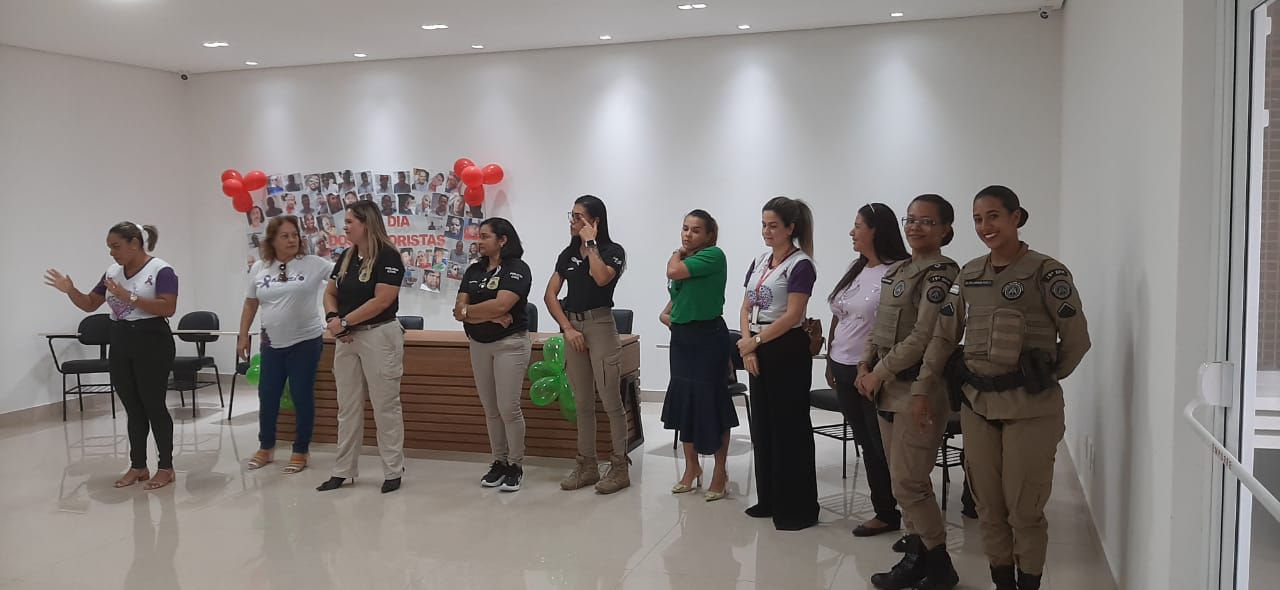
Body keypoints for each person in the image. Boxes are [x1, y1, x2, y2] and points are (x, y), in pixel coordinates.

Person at [919, 186, 1091, 590]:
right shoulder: (969, 274)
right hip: (979, 406)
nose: (985, 227)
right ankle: (1002, 582)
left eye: (994, 216)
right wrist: (923, 388)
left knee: (1024, 510)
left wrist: (1042, 376)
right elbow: (944, 336)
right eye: (978, 219)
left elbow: (1077, 340)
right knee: (988, 508)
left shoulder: (1046, 272)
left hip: (1030, 409)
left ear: (1016, 217)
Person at [857, 195, 962, 589]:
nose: (916, 227)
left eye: (927, 221)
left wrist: (878, 372)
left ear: (946, 230)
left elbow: (924, 335)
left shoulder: (942, 274)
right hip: (887, 388)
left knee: (910, 482)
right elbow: (879, 325)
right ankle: (918, 556)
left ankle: (939, 565)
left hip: (919, 389)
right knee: (901, 480)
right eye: (911, 219)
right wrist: (864, 364)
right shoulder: (900, 270)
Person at [43, 222, 179, 490]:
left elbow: (168, 308)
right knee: (133, 407)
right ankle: (138, 465)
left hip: (152, 341)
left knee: (153, 405)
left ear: (135, 244)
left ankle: (166, 467)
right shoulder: (112, 272)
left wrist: (128, 297)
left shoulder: (161, 270)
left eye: (116, 246)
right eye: (109, 247)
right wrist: (70, 290)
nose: (112, 253)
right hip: (121, 340)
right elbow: (90, 304)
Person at [825, 203, 909, 538]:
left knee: (883, 445)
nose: (852, 231)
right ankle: (884, 511)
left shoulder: (899, 270)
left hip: (874, 370)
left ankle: (907, 514)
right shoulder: (855, 267)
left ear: (876, 230)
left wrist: (873, 369)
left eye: (858, 225)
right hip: (842, 364)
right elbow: (839, 314)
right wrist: (829, 357)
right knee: (866, 442)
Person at [737, 196, 819, 531]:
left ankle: (797, 507)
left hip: (785, 348)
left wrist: (755, 342)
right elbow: (745, 307)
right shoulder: (760, 260)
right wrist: (748, 348)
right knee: (763, 426)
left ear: (790, 228)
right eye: (763, 225)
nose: (766, 231)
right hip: (757, 346)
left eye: (773, 225)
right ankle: (768, 498)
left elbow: (793, 315)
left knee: (789, 428)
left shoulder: (801, 265)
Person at [316, 201, 408, 494]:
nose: (344, 227)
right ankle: (343, 470)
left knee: (385, 406)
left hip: (379, 335)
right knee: (348, 406)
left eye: (349, 222)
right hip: (347, 339)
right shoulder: (347, 256)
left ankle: (393, 470)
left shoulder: (388, 256)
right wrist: (333, 319)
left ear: (366, 223)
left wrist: (344, 322)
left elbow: (382, 300)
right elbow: (330, 292)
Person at [544, 195, 631, 494]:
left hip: (601, 325)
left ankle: (619, 467)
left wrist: (591, 243)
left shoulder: (612, 251)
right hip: (574, 328)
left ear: (595, 221)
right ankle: (587, 465)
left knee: (610, 400)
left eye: (578, 217)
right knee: (582, 402)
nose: (572, 221)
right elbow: (550, 295)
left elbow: (602, 278)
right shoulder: (567, 254)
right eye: (571, 215)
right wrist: (567, 328)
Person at [238, 216, 334, 475]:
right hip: (271, 343)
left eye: (295, 235)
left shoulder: (314, 264)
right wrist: (243, 335)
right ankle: (266, 447)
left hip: (305, 342)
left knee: (302, 395)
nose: (292, 239)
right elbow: (251, 303)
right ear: (272, 240)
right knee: (268, 395)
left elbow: (343, 277)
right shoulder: (260, 268)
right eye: (285, 236)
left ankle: (301, 450)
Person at [659, 209, 736, 501]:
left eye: (695, 230)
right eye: (685, 228)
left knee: (711, 402)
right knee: (685, 402)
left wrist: (676, 253)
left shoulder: (713, 256)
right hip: (683, 340)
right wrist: (672, 317)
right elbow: (676, 298)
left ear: (709, 235)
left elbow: (672, 271)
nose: (688, 234)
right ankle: (692, 467)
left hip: (707, 338)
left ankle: (720, 471)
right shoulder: (687, 261)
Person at [454, 218, 533, 491]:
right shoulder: (474, 270)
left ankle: (515, 464)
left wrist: (472, 312)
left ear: (502, 240)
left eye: (485, 236)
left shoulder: (517, 269)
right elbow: (458, 310)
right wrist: (486, 315)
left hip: (509, 344)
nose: (480, 241)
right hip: (479, 344)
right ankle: (499, 461)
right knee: (491, 409)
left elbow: (502, 305)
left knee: (508, 407)